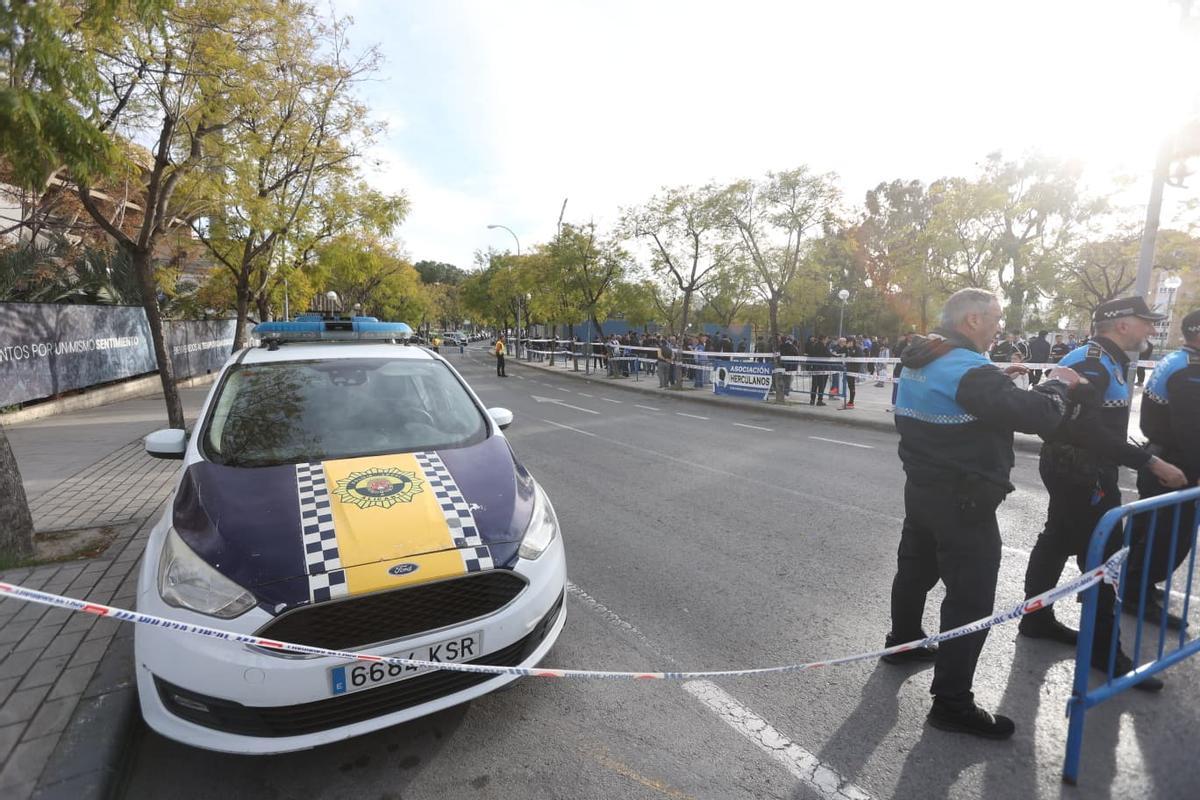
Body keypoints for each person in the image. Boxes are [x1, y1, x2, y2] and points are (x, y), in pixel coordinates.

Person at [884, 288, 1083, 740]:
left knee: (915, 570)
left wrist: (996, 381)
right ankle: (952, 704)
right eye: (995, 318)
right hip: (964, 501)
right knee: (970, 600)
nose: (1000, 327)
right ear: (972, 320)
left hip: (923, 489)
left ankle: (902, 642)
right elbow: (1039, 416)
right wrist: (1058, 382)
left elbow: (960, 395)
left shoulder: (923, 356)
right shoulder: (969, 371)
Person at [1019, 297, 1187, 691]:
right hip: (1082, 470)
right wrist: (1151, 462)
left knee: (1058, 539)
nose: (1152, 330)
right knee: (1106, 556)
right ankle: (1104, 653)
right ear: (1122, 324)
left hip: (1080, 467)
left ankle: (1036, 618)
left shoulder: (1104, 358)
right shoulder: (1091, 362)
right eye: (1147, 322)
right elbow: (1088, 432)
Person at [1124, 309, 1200, 629]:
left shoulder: (1181, 361)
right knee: (1169, 538)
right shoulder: (1190, 370)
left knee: (1150, 533)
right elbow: (1191, 431)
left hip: (1163, 457)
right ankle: (1135, 594)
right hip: (1176, 466)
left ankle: (1135, 586)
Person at [807, 334, 830, 405]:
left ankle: (812, 400)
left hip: (815, 367)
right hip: (822, 368)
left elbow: (810, 355)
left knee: (814, 384)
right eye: (827, 339)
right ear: (823, 339)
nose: (827, 340)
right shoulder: (824, 346)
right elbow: (828, 355)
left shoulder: (814, 345)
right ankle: (820, 400)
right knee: (821, 385)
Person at [843, 337, 863, 408]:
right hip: (848, 369)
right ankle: (850, 401)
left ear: (852, 342)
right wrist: (846, 348)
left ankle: (851, 402)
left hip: (854, 369)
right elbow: (841, 352)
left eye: (849, 342)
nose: (848, 343)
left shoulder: (858, 348)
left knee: (852, 385)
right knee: (850, 385)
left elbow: (860, 358)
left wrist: (851, 357)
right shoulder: (848, 348)